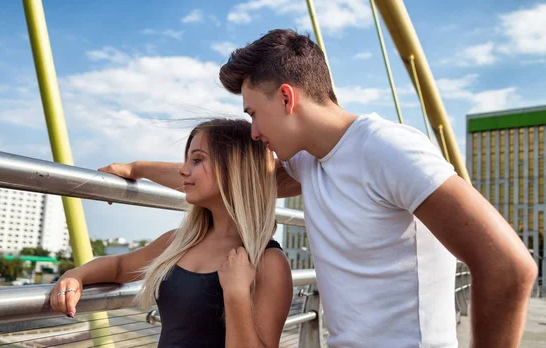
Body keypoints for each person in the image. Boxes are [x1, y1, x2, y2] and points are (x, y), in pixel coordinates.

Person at [100, 29, 538, 348]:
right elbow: (223, 179)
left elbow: (509, 267)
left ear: (287, 99)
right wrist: (135, 167)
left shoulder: (389, 149)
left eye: (254, 112)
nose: (253, 131)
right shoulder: (312, 163)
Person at [50, 119, 293, 348]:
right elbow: (119, 265)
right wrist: (76, 276)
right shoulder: (179, 241)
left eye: (197, 160)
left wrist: (236, 294)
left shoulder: (268, 262)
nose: (183, 171)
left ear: (235, 170)